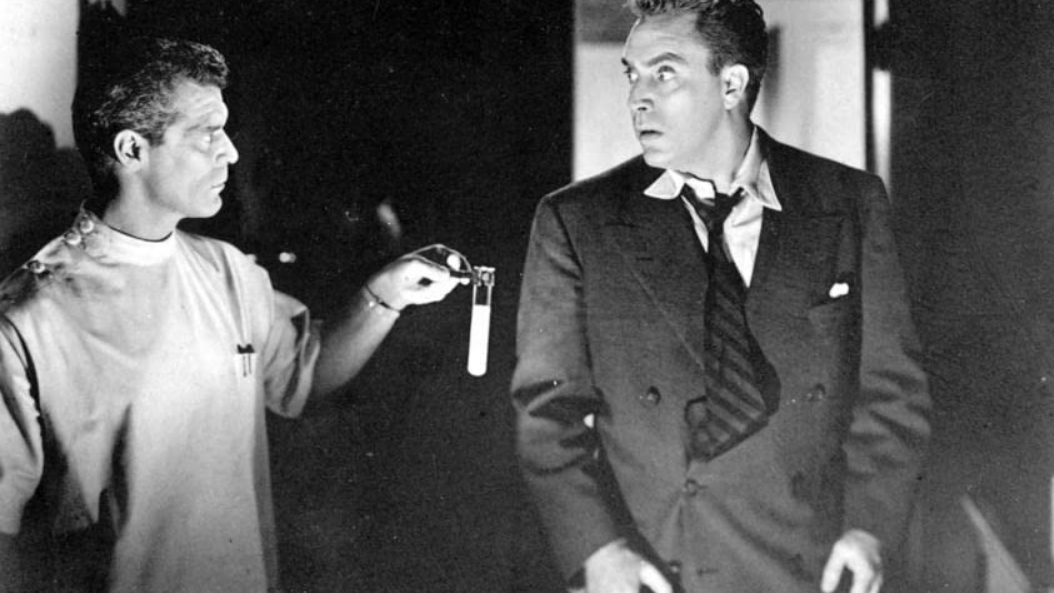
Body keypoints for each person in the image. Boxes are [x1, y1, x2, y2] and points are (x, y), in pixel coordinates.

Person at [0, 38, 459, 592]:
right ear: (132, 149)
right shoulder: (30, 319)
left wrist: (385, 294)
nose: (232, 152)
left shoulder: (227, 272)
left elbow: (304, 374)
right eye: (207, 133)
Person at [511, 1, 931, 592]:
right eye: (632, 75)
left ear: (731, 84)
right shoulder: (578, 222)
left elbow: (893, 393)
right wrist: (599, 552)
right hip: (654, 568)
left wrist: (869, 530)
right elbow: (545, 411)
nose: (637, 98)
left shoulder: (848, 203)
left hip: (811, 568)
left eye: (664, 73)